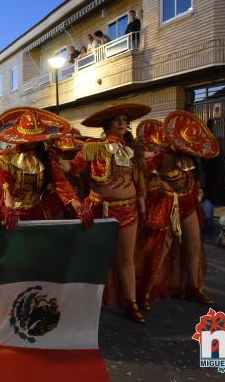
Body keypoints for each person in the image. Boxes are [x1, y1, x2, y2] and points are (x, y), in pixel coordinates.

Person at [67, 103, 150, 323]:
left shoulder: (133, 150)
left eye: (124, 119)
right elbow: (73, 169)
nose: (122, 122)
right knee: (93, 258)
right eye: (116, 120)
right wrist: (56, 160)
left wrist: (142, 207)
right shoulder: (93, 148)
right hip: (99, 209)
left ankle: (130, 302)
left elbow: (139, 181)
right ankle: (84, 303)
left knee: (126, 259)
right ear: (107, 125)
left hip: (129, 209)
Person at [138, 111, 218, 310]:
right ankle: (145, 290)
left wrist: (196, 190)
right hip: (167, 205)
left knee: (193, 247)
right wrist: (162, 184)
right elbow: (142, 175)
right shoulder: (160, 155)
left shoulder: (190, 157)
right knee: (160, 249)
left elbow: (193, 178)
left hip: (189, 204)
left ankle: (193, 288)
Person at [0, 107, 89, 251]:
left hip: (38, 212)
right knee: (15, 255)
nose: (33, 141)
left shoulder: (46, 157)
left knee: (40, 253)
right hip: (12, 213)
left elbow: (61, 184)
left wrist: (79, 207)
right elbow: (6, 186)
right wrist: (11, 210)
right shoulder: (5, 156)